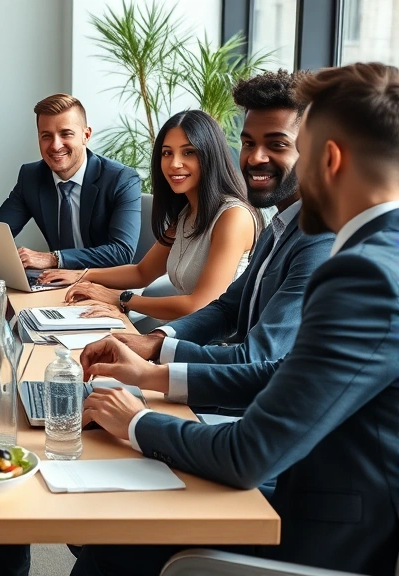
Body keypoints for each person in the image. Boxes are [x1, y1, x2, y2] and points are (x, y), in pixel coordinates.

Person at [73, 62, 399, 576]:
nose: (255, 160)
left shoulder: (365, 273)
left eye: (298, 148)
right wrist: (153, 371)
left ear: (328, 159)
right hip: (313, 485)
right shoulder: (373, 251)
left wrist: (135, 422)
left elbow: (250, 453)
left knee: (112, 541)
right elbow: (286, 375)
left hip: (333, 529)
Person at [108, 71, 334, 387]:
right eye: (248, 143)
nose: (256, 157)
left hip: (256, 403)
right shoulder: (279, 227)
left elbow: (257, 358)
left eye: (277, 144)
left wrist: (155, 373)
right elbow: (228, 309)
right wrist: (156, 342)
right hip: (232, 383)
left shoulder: (319, 243)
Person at [38, 110, 260, 323]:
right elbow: (141, 272)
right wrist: (80, 275)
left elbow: (199, 306)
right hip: (180, 333)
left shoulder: (233, 216)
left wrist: (122, 300)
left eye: (188, 152)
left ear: (210, 156)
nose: (174, 164)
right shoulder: (187, 213)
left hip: (214, 348)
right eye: (167, 153)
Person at [0, 93, 141, 270]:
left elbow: (121, 252)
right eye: (46, 136)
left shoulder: (120, 179)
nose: (55, 145)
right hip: (57, 285)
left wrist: (54, 258)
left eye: (66, 134)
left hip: (105, 284)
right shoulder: (31, 177)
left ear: (86, 135)